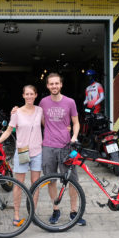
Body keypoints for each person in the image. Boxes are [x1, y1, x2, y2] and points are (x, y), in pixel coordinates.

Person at [39, 72, 86, 226]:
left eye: (56, 83)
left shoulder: (70, 102)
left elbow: (76, 123)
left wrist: (74, 136)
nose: (54, 86)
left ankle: (74, 212)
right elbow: (43, 121)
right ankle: (56, 209)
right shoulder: (43, 102)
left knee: (72, 180)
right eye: (51, 84)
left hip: (66, 147)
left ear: (61, 84)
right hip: (48, 147)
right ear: (47, 86)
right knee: (50, 180)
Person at [0, 85, 43, 226]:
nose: (29, 96)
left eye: (31, 94)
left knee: (36, 184)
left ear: (35, 95)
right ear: (23, 96)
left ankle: (32, 213)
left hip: (37, 152)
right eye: (26, 94)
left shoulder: (40, 111)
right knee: (18, 184)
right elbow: (9, 131)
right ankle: (16, 215)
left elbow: (48, 125)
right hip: (22, 151)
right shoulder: (17, 112)